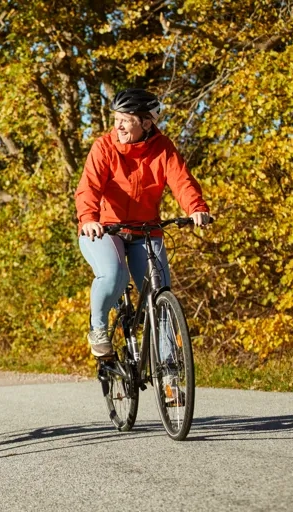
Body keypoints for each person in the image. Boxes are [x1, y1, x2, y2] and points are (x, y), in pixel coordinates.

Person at [74, 88, 211, 396]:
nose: (119, 126)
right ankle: (98, 328)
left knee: (161, 294)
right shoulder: (104, 147)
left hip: (146, 230)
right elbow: (89, 188)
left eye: (127, 120)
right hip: (104, 230)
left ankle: (169, 379)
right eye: (117, 119)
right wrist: (89, 219)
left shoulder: (163, 148)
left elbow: (181, 181)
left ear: (147, 123)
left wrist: (196, 208)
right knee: (114, 275)